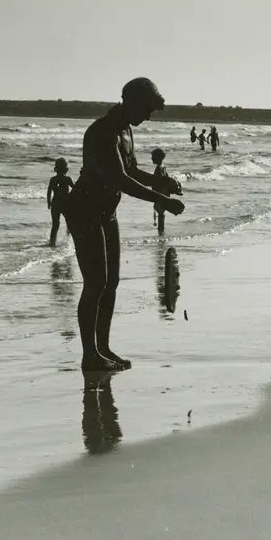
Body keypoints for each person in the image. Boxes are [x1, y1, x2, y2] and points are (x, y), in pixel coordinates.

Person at [64, 77, 185, 372]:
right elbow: (121, 180)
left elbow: (130, 169)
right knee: (95, 284)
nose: (147, 117)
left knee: (111, 283)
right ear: (129, 102)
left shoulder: (126, 130)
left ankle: (103, 348)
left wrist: (160, 180)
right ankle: (89, 355)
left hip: (107, 213)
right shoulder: (102, 131)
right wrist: (163, 200)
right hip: (84, 210)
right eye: (145, 109)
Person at [149, 147, 182, 234]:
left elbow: (158, 181)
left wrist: (154, 191)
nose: (151, 158)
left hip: (160, 192)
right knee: (161, 212)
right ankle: (161, 228)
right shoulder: (163, 166)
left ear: (158, 158)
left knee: (160, 211)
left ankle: (161, 229)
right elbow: (166, 178)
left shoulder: (158, 168)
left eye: (153, 157)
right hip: (164, 192)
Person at [46, 158, 73, 248]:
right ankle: (67, 240)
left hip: (55, 204)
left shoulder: (53, 179)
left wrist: (49, 202)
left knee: (55, 225)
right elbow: (76, 189)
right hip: (67, 204)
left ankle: (52, 243)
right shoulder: (68, 179)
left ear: (55, 169)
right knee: (69, 223)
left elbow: (49, 192)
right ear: (67, 169)